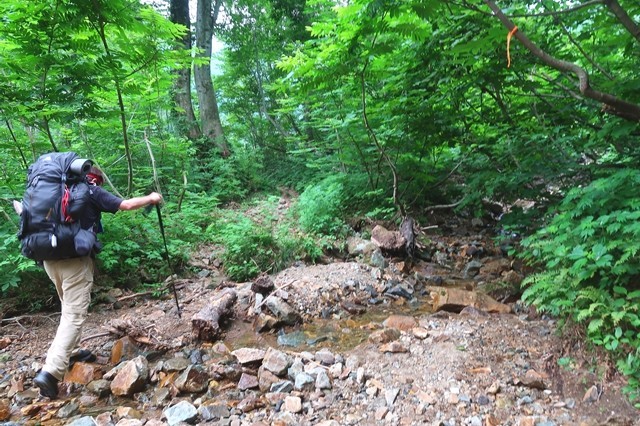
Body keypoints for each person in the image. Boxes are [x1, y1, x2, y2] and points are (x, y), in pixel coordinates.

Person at [33, 166, 163, 399]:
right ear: (96, 179)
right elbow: (126, 205)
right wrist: (152, 198)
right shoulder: (90, 191)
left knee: (68, 309)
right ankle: (50, 373)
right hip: (75, 261)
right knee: (74, 315)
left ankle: (70, 353)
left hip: (49, 260)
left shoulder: (54, 191)